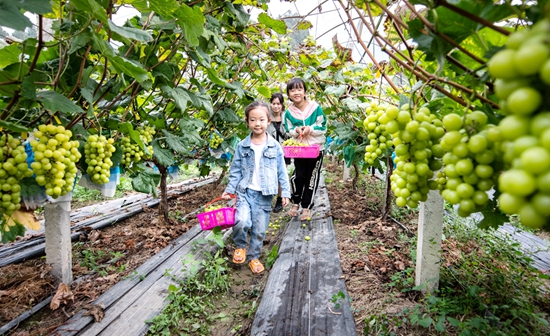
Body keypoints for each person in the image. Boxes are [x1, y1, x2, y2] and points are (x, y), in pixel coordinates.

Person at [222, 101, 291, 274]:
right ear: (247, 122)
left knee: (259, 230)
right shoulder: (242, 146)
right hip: (244, 192)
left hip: (264, 195)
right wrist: (230, 189)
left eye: (261, 119)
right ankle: (240, 246)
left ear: (268, 121)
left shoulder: (275, 146)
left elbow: (282, 171)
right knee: (241, 220)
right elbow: (236, 170)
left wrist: (286, 192)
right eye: (253, 120)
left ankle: (254, 257)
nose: (257, 123)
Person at [283, 78, 327, 221]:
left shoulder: (315, 108)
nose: (296, 92)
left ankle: (306, 206)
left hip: (316, 149)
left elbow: (323, 126)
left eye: (299, 89)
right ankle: (295, 202)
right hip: (300, 150)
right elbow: (288, 129)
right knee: (298, 175)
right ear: (288, 94)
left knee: (311, 178)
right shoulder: (289, 113)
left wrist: (311, 129)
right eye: (292, 90)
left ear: (305, 92)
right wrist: (296, 130)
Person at [267, 92, 289, 213]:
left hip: (283, 151)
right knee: (270, 175)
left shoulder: (286, 117)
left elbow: (290, 133)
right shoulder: (266, 117)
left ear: (282, 105)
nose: (276, 106)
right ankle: (268, 199)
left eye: (278, 104)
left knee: (281, 175)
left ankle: (279, 200)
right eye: (274, 103)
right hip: (269, 151)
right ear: (271, 104)